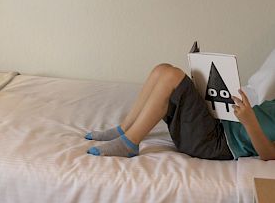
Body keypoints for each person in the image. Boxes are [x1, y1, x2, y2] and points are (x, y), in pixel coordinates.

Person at [85, 63, 275, 160]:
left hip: (218, 144)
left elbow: (268, 154)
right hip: (218, 123)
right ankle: (125, 129)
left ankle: (129, 144)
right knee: (163, 69)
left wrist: (249, 121)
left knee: (172, 77)